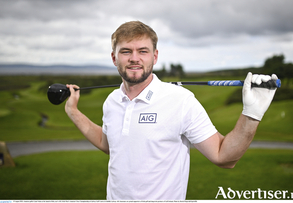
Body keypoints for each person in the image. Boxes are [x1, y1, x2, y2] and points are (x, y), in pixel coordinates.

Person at [64, 21, 278, 200]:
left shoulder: (181, 100)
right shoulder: (112, 101)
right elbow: (111, 145)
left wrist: (252, 114)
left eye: (143, 51)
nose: (134, 58)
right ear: (114, 58)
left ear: (155, 57)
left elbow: (224, 157)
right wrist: (73, 111)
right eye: (126, 51)